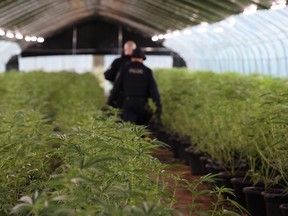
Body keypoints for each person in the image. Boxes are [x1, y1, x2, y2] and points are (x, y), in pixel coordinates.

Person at [108, 48, 162, 125]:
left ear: (132, 58)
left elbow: (117, 87)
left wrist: (110, 101)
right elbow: (153, 89)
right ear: (142, 59)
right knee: (140, 130)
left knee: (129, 129)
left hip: (128, 102)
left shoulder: (125, 69)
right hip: (142, 104)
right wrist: (158, 104)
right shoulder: (147, 71)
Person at [104, 41, 136, 108]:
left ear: (124, 49)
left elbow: (108, 76)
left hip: (119, 95)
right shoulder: (139, 63)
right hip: (135, 97)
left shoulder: (118, 62)